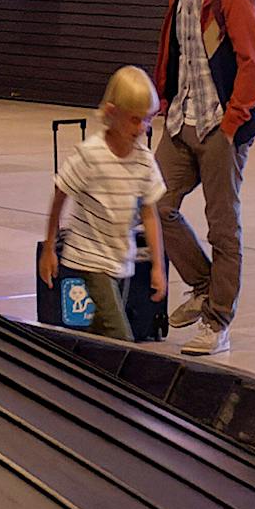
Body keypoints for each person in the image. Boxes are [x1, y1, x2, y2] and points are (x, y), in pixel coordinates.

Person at [154, 0, 255, 358]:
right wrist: (160, 105)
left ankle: (218, 321)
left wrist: (232, 120)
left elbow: (253, 63)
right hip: (181, 121)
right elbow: (174, 55)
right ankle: (202, 286)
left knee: (224, 227)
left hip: (219, 125)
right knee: (154, 205)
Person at [39, 67, 167, 343]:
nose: (142, 128)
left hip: (120, 258)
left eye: (147, 120)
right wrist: (49, 247)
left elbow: (150, 213)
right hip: (90, 257)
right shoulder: (90, 155)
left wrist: (158, 265)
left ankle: (79, 362)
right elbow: (60, 193)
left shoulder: (144, 160)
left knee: (102, 331)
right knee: (121, 336)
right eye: (135, 120)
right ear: (111, 113)